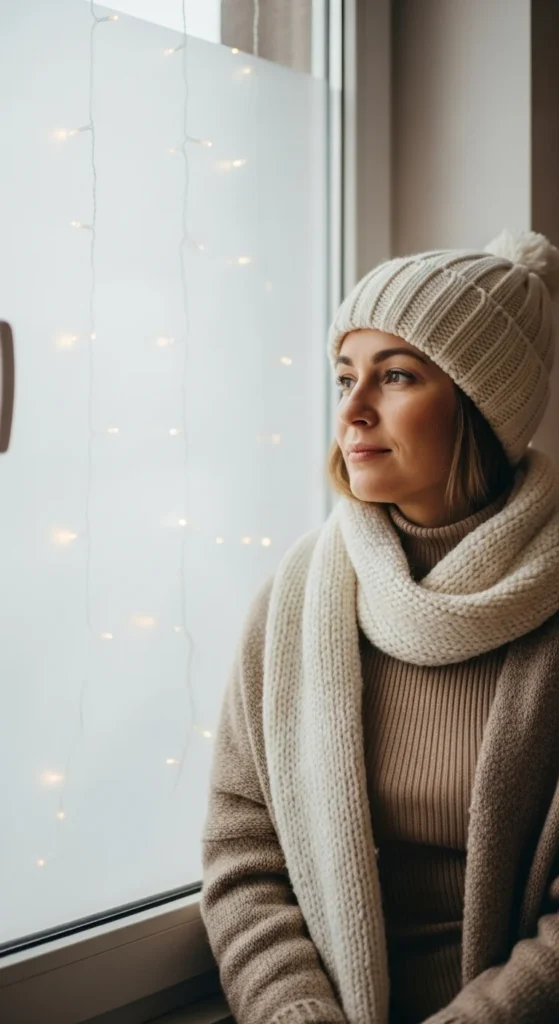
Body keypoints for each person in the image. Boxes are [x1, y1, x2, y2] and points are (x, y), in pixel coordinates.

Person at [200, 229, 559, 1024]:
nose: (351, 409)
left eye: (394, 376)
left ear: (483, 406)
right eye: (343, 377)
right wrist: (294, 1011)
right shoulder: (297, 597)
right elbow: (242, 849)